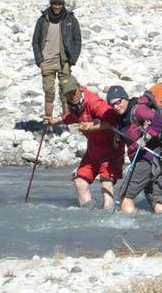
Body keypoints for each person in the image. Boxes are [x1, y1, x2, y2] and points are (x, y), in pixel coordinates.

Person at [43, 76, 124, 209]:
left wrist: (90, 127)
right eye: (68, 94)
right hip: (93, 151)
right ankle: (90, 216)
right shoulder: (75, 105)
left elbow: (112, 120)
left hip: (111, 150)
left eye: (73, 91)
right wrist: (55, 121)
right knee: (80, 181)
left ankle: (108, 218)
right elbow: (72, 117)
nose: (72, 96)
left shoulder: (94, 102)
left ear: (79, 87)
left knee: (106, 184)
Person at [106, 85, 162, 214]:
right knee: (156, 200)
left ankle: (129, 231)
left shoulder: (137, 110)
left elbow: (160, 121)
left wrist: (145, 138)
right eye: (112, 105)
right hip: (156, 160)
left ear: (125, 98)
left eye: (118, 102)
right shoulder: (121, 117)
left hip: (146, 160)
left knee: (125, 198)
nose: (116, 106)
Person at [32, 0, 82, 118]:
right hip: (46, 62)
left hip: (64, 62)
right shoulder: (43, 20)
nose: (57, 6)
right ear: (51, 3)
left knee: (66, 93)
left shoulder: (70, 19)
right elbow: (35, 41)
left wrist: (73, 59)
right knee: (49, 94)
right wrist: (39, 61)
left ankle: (66, 121)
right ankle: (48, 123)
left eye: (60, 3)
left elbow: (78, 40)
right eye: (54, 3)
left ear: (63, 4)